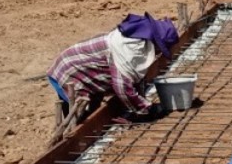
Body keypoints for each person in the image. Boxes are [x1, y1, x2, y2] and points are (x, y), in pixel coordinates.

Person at [47, 13, 178, 124]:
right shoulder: (127, 49)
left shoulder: (136, 44)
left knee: (91, 114)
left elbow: (134, 78)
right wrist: (148, 109)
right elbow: (122, 86)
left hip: (79, 68)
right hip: (68, 72)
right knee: (78, 121)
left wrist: (141, 103)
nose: (159, 53)